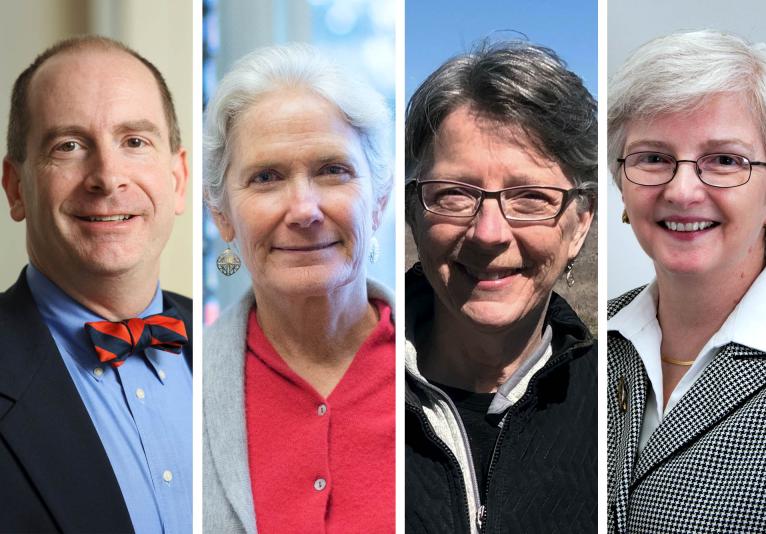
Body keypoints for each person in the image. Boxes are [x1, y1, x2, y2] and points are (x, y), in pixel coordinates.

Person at [607, 30, 766, 533]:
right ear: (620, 182)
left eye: (724, 160)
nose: (683, 190)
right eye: (653, 157)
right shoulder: (587, 340)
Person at [0, 36, 191, 533]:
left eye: (135, 141)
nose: (107, 177)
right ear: (16, 188)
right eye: (69, 146)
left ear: (179, 178)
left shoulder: (242, 346)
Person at [405, 41, 597, 533]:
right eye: (454, 194)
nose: (489, 233)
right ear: (413, 212)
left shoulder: (617, 410)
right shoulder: (347, 385)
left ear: (579, 225)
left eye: (530, 196)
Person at [203, 44, 394, 533]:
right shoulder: (183, 383)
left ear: (378, 202)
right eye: (266, 177)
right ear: (222, 215)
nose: (304, 209)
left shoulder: (445, 369)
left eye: (333, 170)